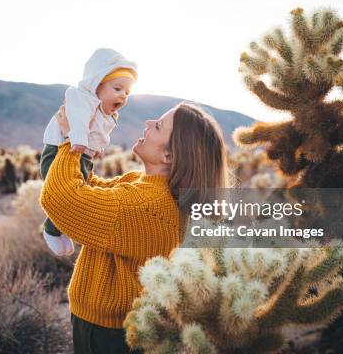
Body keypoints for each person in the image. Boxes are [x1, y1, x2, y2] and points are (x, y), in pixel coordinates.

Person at [40, 101, 231, 354]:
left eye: (159, 126)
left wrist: (71, 142)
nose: (148, 123)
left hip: (109, 335)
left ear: (169, 155)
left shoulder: (147, 205)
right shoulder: (144, 186)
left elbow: (63, 199)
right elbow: (91, 190)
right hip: (115, 327)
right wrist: (85, 151)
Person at [41, 48, 138, 256]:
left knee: (80, 187)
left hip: (79, 153)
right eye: (118, 88)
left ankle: (62, 227)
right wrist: (77, 139)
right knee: (63, 192)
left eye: (127, 92)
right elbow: (77, 119)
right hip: (59, 150)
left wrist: (95, 149)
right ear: (97, 84)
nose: (123, 95)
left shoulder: (105, 112)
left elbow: (99, 133)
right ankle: (51, 229)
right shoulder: (82, 99)